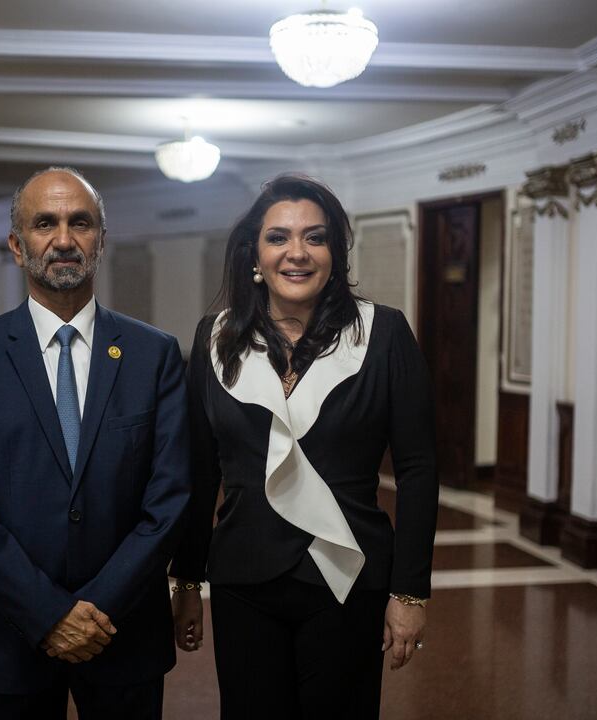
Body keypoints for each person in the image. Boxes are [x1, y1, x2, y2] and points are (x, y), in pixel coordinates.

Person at [169, 174, 438, 719]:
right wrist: (187, 580)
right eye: (278, 238)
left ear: (335, 254)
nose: (297, 253)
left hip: (347, 571)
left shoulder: (382, 333)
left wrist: (409, 594)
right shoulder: (214, 337)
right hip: (244, 577)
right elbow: (198, 471)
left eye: (315, 238)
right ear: (254, 254)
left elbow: (418, 468)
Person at [0, 166, 191, 720]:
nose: (64, 239)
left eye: (81, 222)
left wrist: (96, 609)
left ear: (101, 239)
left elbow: (169, 498)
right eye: (44, 223)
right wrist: (49, 615)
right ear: (16, 244)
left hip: (122, 631)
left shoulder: (155, 355)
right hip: (9, 632)